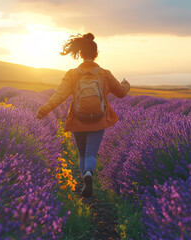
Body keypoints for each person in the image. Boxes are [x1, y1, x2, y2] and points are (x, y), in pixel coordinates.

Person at [36, 33, 130, 198]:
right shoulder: (104, 74)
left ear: (80, 54)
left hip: (78, 119)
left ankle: (84, 177)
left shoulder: (72, 74)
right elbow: (121, 93)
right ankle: (89, 173)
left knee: (81, 153)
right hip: (99, 119)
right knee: (91, 154)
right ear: (96, 54)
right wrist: (126, 85)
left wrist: (45, 109)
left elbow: (59, 95)